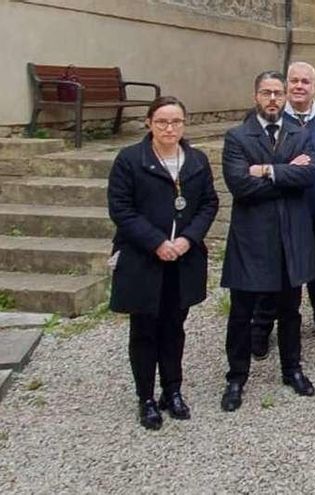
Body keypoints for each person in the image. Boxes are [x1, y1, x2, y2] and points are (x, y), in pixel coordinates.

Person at [108, 96, 219, 430]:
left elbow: (209, 204)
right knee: (144, 331)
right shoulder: (130, 160)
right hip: (144, 259)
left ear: (184, 125)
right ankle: (145, 398)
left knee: (174, 328)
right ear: (149, 123)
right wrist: (156, 242)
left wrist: (188, 239)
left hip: (183, 258)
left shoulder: (196, 160)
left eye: (176, 122)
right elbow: (121, 209)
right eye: (162, 122)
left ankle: (172, 390)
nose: (170, 128)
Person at [219, 71, 315, 411]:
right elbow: (238, 184)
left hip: (291, 236)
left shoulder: (300, 133)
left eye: (278, 92)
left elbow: (308, 175)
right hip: (251, 238)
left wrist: (263, 169)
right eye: (267, 93)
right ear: (255, 96)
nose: (273, 98)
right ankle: (236, 377)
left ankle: (292, 369)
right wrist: (285, 170)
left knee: (290, 311)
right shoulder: (237, 137)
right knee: (242, 312)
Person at [249, 61, 315, 359]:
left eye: (306, 81)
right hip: (282, 217)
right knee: (275, 277)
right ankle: (263, 328)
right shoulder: (268, 118)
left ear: (314, 86)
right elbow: (254, 167)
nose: (300, 86)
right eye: (294, 81)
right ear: (286, 85)